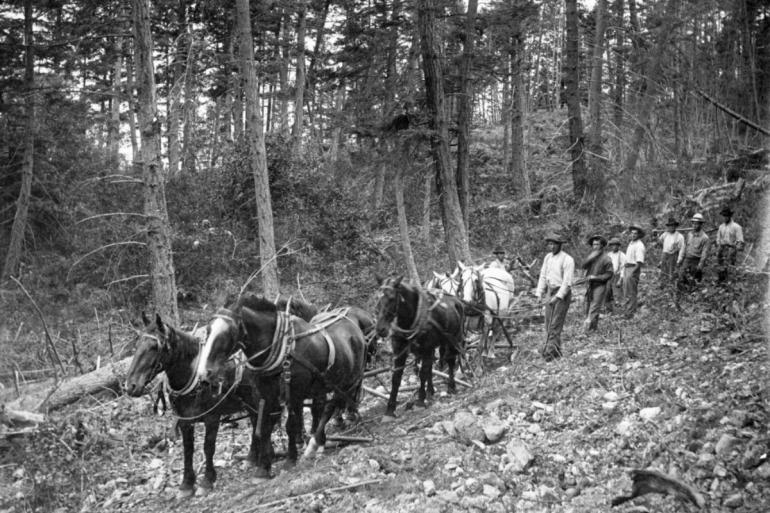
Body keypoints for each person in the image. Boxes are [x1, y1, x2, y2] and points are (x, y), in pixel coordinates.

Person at [535, 233, 575, 361]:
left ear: (560, 245)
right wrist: (539, 293)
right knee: (548, 323)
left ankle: (549, 353)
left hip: (561, 294)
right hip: (549, 291)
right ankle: (556, 351)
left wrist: (558, 297)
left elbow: (567, 283)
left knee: (555, 324)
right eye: (549, 244)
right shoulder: (548, 257)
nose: (551, 246)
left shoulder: (567, 260)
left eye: (554, 244)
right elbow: (543, 275)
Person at [581, 235, 613, 332]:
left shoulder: (606, 258)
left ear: (602, 246)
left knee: (595, 306)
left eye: (597, 244)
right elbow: (583, 266)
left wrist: (596, 277)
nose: (595, 247)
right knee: (587, 305)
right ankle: (593, 328)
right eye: (593, 244)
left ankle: (586, 330)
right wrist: (589, 259)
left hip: (600, 285)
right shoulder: (591, 257)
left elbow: (609, 274)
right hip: (590, 285)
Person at [680, 213, 710, 288]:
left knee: (694, 280)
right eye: (693, 223)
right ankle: (683, 294)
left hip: (696, 260)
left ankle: (694, 295)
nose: (694, 225)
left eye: (697, 224)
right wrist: (681, 258)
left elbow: (704, 253)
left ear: (701, 224)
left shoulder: (705, 238)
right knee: (682, 276)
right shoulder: (689, 234)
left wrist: (700, 265)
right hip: (687, 259)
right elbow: (685, 246)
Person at [716, 206, 744, 283]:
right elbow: (718, 238)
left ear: (730, 216)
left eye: (726, 215)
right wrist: (719, 245)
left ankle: (730, 283)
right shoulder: (721, 227)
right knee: (720, 265)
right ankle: (721, 282)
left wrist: (735, 247)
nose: (725, 217)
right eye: (723, 216)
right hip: (722, 248)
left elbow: (740, 240)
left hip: (731, 249)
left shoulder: (737, 227)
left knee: (730, 266)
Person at [623, 225, 646, 318]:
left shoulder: (639, 246)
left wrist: (632, 273)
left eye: (635, 233)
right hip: (627, 267)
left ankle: (630, 313)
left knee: (631, 291)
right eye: (632, 233)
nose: (633, 235)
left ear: (639, 235)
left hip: (633, 268)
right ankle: (628, 311)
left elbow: (639, 262)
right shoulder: (631, 243)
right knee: (626, 291)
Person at [657, 217, 685, 287]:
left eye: (673, 225)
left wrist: (679, 260)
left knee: (671, 274)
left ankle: (671, 288)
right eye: (670, 225)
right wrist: (656, 236)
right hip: (664, 255)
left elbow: (682, 249)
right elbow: (659, 242)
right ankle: (662, 287)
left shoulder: (680, 236)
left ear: (675, 226)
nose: (671, 227)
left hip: (673, 257)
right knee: (663, 272)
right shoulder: (665, 234)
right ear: (668, 227)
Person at [605, 237, 626, 313]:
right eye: (612, 245)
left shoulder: (622, 255)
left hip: (617, 276)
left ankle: (618, 312)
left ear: (618, 246)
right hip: (609, 276)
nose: (614, 247)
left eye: (615, 245)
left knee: (617, 295)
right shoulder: (608, 255)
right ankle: (609, 311)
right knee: (607, 293)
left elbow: (624, 268)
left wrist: (620, 279)